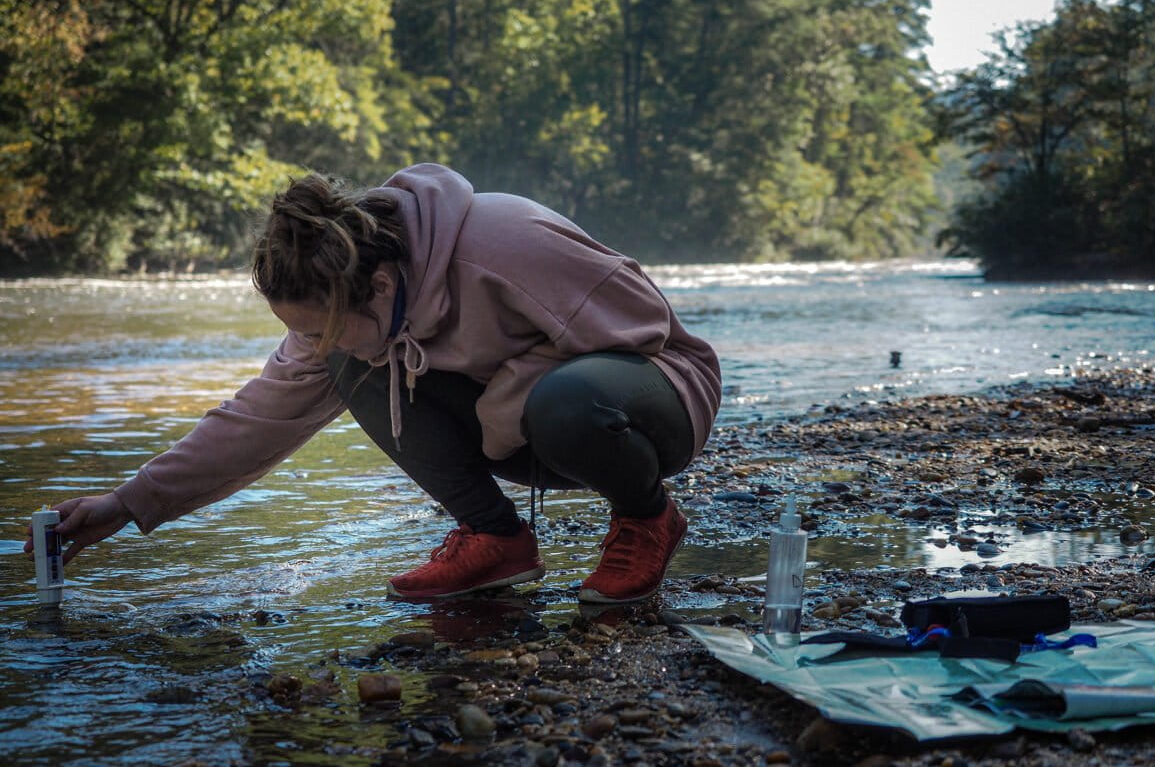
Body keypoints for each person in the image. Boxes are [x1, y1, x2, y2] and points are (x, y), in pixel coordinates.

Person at [23, 164, 722, 604]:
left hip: (655, 398)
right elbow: (258, 419)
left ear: (381, 285)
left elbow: (646, 327)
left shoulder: (504, 241)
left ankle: (646, 517)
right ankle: (496, 541)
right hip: (525, 430)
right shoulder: (346, 320)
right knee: (349, 367)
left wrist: (513, 396)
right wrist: (129, 501)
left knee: (565, 402)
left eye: (324, 327)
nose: (315, 344)